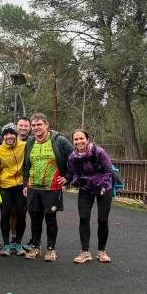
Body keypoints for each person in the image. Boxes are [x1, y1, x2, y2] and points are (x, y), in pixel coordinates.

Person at [22, 113, 73, 261]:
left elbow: (73, 159)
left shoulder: (59, 140)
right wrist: (26, 183)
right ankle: (35, 247)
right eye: (34, 125)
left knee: (50, 219)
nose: (36, 127)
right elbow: (26, 165)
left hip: (52, 187)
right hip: (33, 187)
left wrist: (68, 177)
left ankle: (51, 249)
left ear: (46, 125)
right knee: (35, 219)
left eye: (39, 124)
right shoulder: (30, 142)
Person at [67, 130, 114, 264]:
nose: (79, 141)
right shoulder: (72, 157)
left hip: (103, 187)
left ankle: (102, 252)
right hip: (86, 188)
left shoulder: (99, 152)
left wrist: (102, 185)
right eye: (75, 139)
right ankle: (85, 252)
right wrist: (76, 180)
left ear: (87, 139)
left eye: (81, 138)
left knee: (102, 220)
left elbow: (108, 171)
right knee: (83, 218)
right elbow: (74, 173)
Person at [0, 124, 27, 256]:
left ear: (16, 135)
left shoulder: (24, 145)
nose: (9, 136)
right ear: (3, 136)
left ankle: (17, 243)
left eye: (11, 133)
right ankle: (6, 245)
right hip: (5, 187)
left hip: (21, 186)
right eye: (6, 134)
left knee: (21, 215)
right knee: (5, 214)